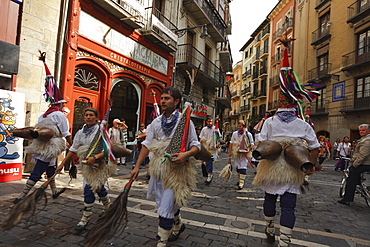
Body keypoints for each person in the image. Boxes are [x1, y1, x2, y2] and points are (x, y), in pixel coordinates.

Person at [130, 87, 200, 247]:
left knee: (166, 206)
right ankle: (178, 224)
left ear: (176, 102)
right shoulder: (155, 122)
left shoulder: (185, 121)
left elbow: (196, 145)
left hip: (176, 172)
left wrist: (185, 155)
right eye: (162, 98)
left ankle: (162, 241)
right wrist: (137, 166)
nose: (162, 101)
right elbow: (146, 145)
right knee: (163, 203)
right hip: (158, 170)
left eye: (167, 98)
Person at [252, 94, 320, 246]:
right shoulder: (303, 124)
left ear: (279, 106)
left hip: (271, 167)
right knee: (288, 206)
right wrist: (311, 166)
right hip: (293, 167)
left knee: (269, 199)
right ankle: (284, 242)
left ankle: (269, 230)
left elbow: (261, 143)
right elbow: (315, 147)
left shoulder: (270, 122)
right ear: (295, 106)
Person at [57, 107, 115, 231]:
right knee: (98, 188)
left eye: (91, 115)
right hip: (87, 166)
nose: (88, 117)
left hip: (100, 165)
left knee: (89, 189)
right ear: (84, 117)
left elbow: (108, 150)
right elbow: (73, 148)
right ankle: (108, 207)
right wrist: (62, 164)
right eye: (86, 115)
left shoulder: (101, 130)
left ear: (96, 117)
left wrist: (95, 157)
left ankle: (85, 219)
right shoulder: (80, 132)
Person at [13, 99, 72, 204]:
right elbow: (65, 133)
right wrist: (71, 145)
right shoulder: (60, 115)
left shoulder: (43, 115)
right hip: (51, 145)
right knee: (38, 169)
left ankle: (54, 191)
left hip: (43, 143)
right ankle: (21, 196)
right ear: (60, 104)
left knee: (50, 168)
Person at [338, 124, 370, 205]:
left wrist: (355, 164)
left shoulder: (367, 141)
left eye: (363, 130)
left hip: (364, 164)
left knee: (351, 179)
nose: (361, 132)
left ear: (368, 131)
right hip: (365, 164)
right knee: (355, 177)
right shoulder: (364, 139)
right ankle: (360, 185)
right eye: (360, 130)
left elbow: (363, 155)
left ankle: (347, 199)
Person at [228, 120, 254, 190]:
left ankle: (241, 183)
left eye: (240, 126)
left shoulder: (248, 135)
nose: (238, 128)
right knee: (237, 166)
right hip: (236, 152)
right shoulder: (234, 134)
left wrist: (249, 149)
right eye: (238, 126)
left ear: (244, 126)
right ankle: (239, 179)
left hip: (244, 153)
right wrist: (230, 151)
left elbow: (252, 143)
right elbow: (231, 142)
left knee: (243, 166)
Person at [199, 117, 221, 184]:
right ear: (206, 122)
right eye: (208, 121)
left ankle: (209, 175)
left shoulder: (215, 129)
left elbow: (219, 138)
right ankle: (208, 174)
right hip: (205, 148)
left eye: (211, 121)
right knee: (206, 162)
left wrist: (218, 143)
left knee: (209, 160)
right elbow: (200, 138)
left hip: (212, 148)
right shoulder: (204, 129)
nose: (210, 123)